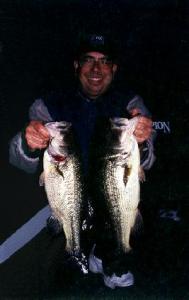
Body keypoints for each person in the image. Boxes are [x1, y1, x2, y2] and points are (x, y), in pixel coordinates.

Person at [9, 33, 155, 288]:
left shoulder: (130, 104)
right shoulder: (49, 103)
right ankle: (75, 251)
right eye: (88, 60)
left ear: (114, 68)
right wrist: (27, 142)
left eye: (104, 61)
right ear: (76, 65)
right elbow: (19, 160)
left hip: (108, 195)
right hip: (67, 194)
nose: (96, 69)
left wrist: (142, 141)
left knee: (129, 216)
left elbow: (149, 161)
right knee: (43, 272)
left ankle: (106, 255)